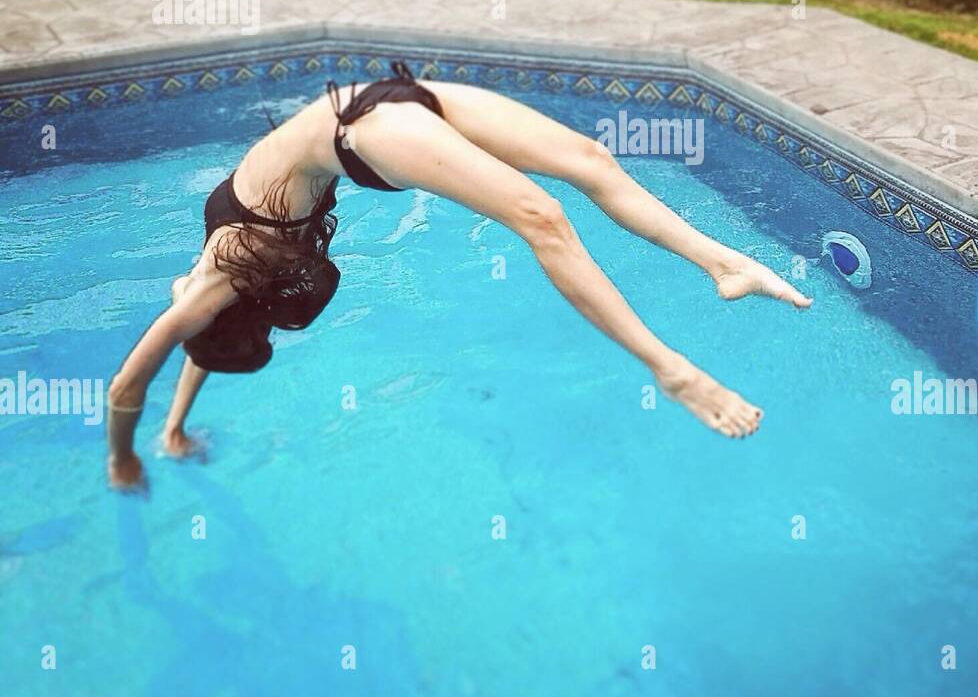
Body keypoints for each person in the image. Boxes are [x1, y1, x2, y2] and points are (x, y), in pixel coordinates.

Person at [106, 63, 811, 489]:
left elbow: (126, 383)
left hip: (370, 122)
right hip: (373, 106)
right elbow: (197, 349)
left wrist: (123, 460)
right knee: (546, 210)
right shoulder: (212, 293)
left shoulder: (211, 292)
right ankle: (675, 354)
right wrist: (173, 430)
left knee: (580, 175)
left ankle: (714, 280)